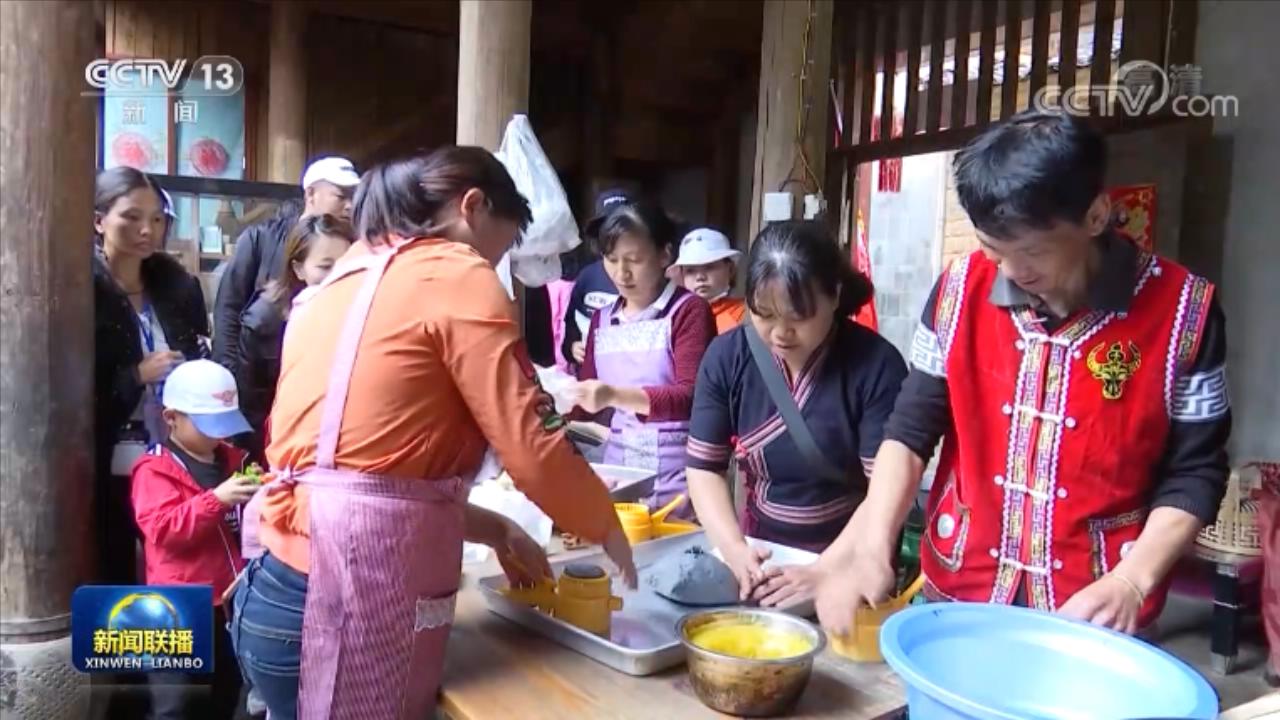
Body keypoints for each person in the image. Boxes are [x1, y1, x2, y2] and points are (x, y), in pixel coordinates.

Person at [229, 147, 636, 720]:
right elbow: (534, 442)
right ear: (472, 207)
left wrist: (496, 528)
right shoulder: (454, 269)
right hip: (333, 604)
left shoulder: (350, 271)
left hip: (271, 592)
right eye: (499, 246)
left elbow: (363, 473)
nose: (493, 268)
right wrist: (602, 522)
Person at [813, 110, 1232, 639]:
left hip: (1096, 603)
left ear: (1097, 215)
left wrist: (1132, 580)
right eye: (992, 247)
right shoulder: (957, 291)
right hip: (964, 588)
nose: (1009, 269)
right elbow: (910, 428)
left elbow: (1197, 471)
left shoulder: (1184, 313)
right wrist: (873, 545)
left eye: (1031, 250)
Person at [686, 221, 906, 606]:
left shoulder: (876, 365)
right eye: (764, 314)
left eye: (798, 317)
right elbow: (704, 468)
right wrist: (735, 550)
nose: (780, 333)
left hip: (852, 558)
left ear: (835, 296)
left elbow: (885, 491)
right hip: (765, 555)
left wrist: (825, 571)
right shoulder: (726, 357)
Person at [93, 167, 210, 586]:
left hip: (174, 447)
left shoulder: (177, 286)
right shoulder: (79, 288)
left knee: (177, 557)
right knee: (112, 558)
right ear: (99, 220)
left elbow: (201, 349)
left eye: (157, 218)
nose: (147, 229)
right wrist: (136, 375)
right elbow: (65, 388)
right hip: (107, 450)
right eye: (131, 217)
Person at [572, 201, 716, 520]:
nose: (621, 273)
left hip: (679, 476)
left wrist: (611, 395)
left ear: (665, 255)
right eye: (611, 260)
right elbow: (585, 404)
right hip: (618, 477)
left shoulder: (688, 311)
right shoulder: (603, 319)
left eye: (634, 260)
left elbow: (690, 396)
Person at [131, 360, 256, 720]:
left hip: (230, 604)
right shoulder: (154, 470)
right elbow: (164, 531)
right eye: (208, 425)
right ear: (172, 418)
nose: (219, 436)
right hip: (176, 609)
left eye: (224, 425)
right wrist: (217, 500)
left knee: (225, 695)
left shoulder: (236, 461)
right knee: (175, 707)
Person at [213, 156, 359, 377]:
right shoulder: (260, 238)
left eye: (353, 197)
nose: (349, 206)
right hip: (259, 372)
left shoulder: (356, 246)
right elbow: (229, 308)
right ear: (310, 194)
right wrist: (228, 375)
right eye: (341, 196)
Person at [235, 214, 355, 462]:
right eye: (325, 266)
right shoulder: (264, 320)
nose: (338, 275)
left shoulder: (361, 309)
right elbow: (252, 403)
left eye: (346, 264)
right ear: (298, 268)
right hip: (283, 445)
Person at [561, 189, 630, 369]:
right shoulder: (587, 277)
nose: (615, 236)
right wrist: (572, 347)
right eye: (607, 229)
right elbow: (571, 325)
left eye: (622, 228)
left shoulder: (648, 280)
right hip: (590, 381)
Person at [669, 227, 746, 334]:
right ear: (682, 275)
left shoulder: (745, 314)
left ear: (731, 269)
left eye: (709, 267)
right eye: (690, 271)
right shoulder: (675, 316)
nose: (700, 277)